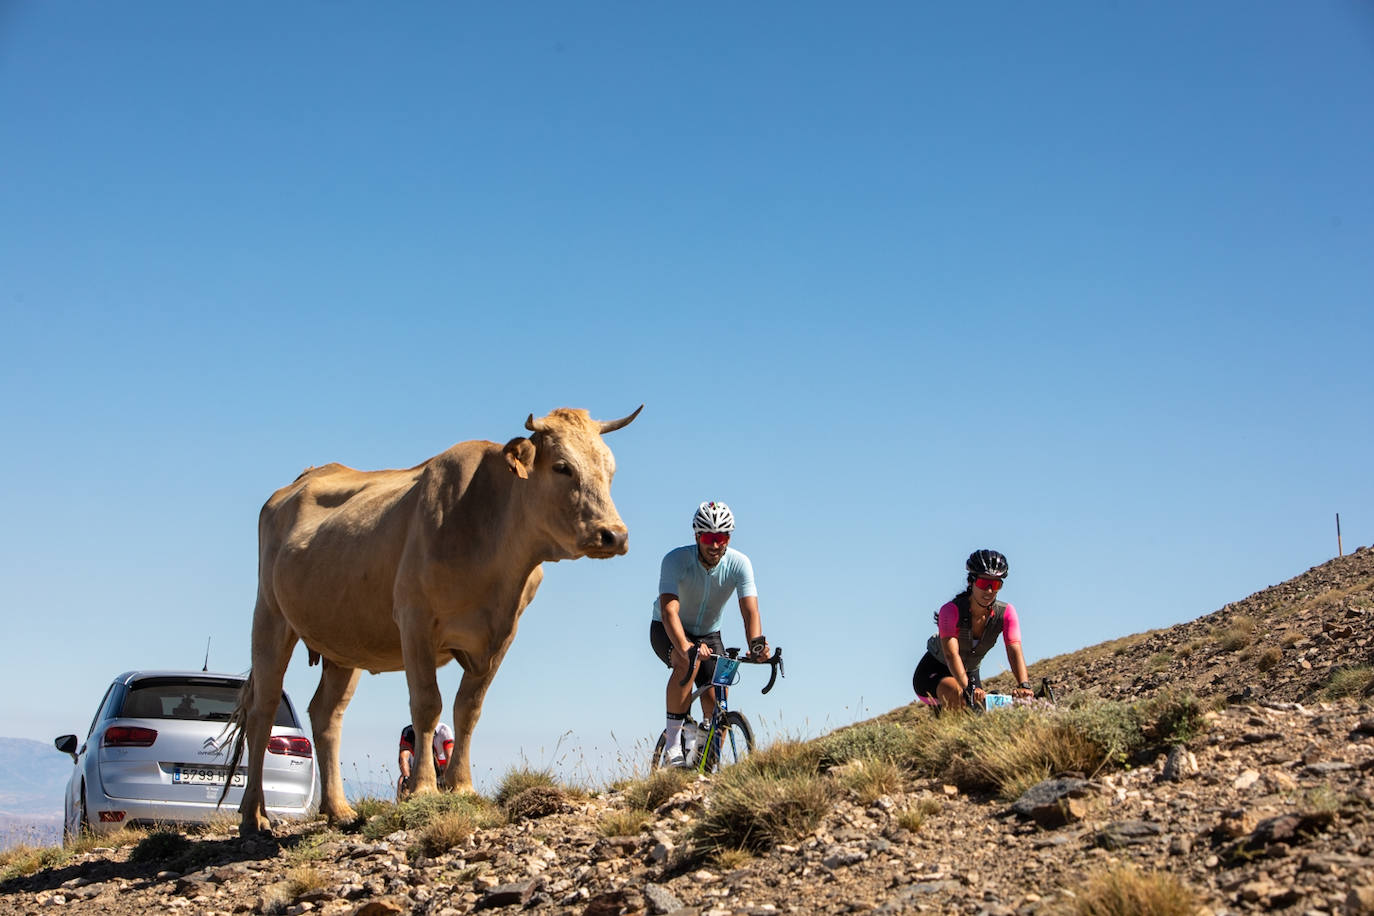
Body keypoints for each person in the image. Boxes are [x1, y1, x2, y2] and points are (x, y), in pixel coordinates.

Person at [650, 501, 769, 767]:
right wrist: (686, 647)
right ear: (697, 537)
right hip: (668, 628)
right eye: (708, 537)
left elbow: (750, 612)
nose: (715, 545)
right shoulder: (675, 560)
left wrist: (757, 646)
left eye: (721, 537)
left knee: (718, 698)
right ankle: (672, 748)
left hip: (708, 633)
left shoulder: (740, 564)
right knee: (685, 664)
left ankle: (705, 760)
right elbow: (670, 611)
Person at [912, 549, 1032, 711]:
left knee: (981, 716)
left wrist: (1024, 685)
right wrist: (967, 688)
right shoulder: (951, 610)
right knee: (959, 695)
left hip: (969, 672)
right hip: (934, 671)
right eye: (984, 583)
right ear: (971, 582)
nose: (989, 590)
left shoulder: (1006, 613)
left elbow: (1014, 649)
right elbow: (951, 654)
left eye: (995, 584)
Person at [397, 721, 455, 796]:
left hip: (441, 767)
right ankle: (402, 803)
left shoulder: (444, 730)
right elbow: (403, 757)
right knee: (402, 780)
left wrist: (443, 778)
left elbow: (450, 757)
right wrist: (407, 778)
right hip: (416, 768)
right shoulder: (408, 731)